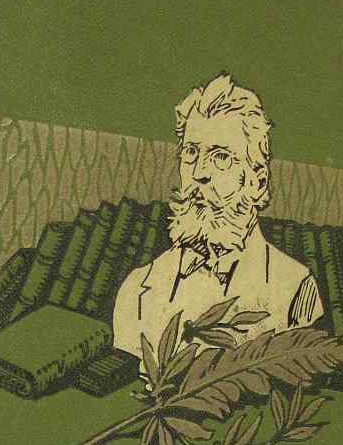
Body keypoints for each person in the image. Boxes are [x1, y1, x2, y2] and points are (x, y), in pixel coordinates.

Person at [113, 73, 322, 364]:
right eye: (190, 152)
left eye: (221, 157)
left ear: (258, 183)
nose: (199, 173)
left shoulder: (296, 288)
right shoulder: (136, 288)